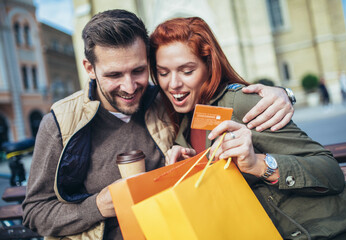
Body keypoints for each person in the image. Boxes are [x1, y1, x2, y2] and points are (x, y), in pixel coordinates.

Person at [21, 10, 295, 239]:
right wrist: (99, 206)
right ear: (89, 69)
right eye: (114, 75)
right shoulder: (60, 123)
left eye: (138, 71)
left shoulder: (166, 100)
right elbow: (35, 212)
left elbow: (217, 92)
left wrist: (282, 93)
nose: (129, 87)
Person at [149, 17, 346, 239]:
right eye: (163, 73)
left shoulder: (242, 103)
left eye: (187, 71)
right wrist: (188, 170)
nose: (172, 84)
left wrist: (259, 164)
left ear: (209, 66)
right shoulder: (183, 121)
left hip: (332, 231)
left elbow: (331, 172)